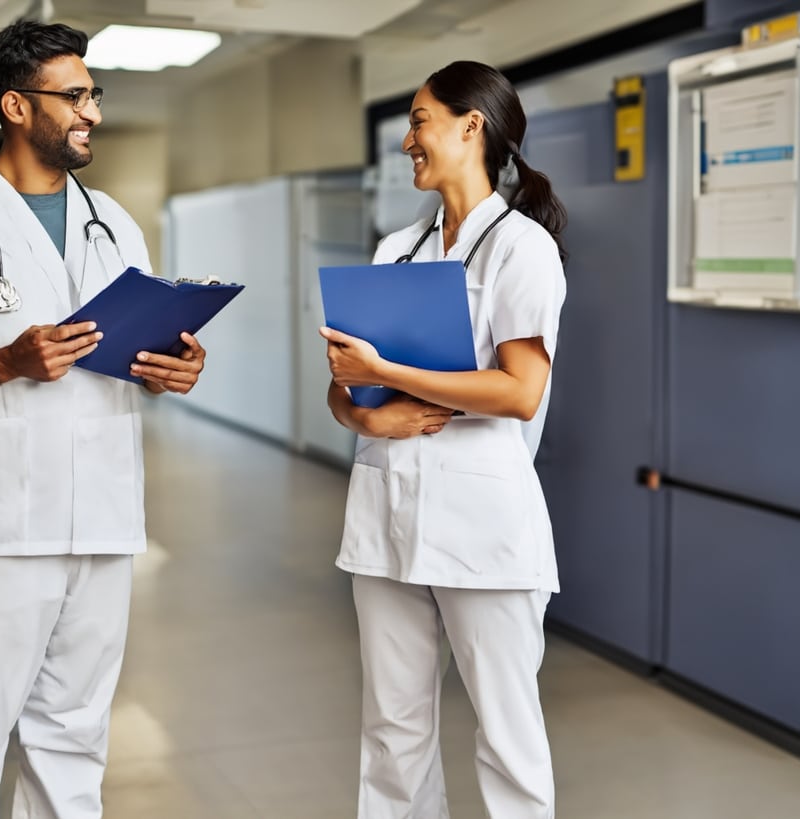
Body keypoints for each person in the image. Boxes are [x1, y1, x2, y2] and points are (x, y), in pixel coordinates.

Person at [0, 19, 206, 819]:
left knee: (75, 735)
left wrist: (173, 368)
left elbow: (142, 346)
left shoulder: (114, 223)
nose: (91, 111)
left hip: (104, 522)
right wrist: (3, 361)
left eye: (94, 94)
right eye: (74, 95)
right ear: (16, 107)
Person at [319, 60, 567, 819]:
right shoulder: (396, 249)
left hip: (482, 527)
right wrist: (366, 412)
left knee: (506, 732)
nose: (407, 140)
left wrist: (391, 372)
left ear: (472, 125)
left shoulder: (521, 248)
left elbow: (519, 391)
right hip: (386, 517)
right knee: (391, 733)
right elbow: (345, 387)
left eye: (420, 120)